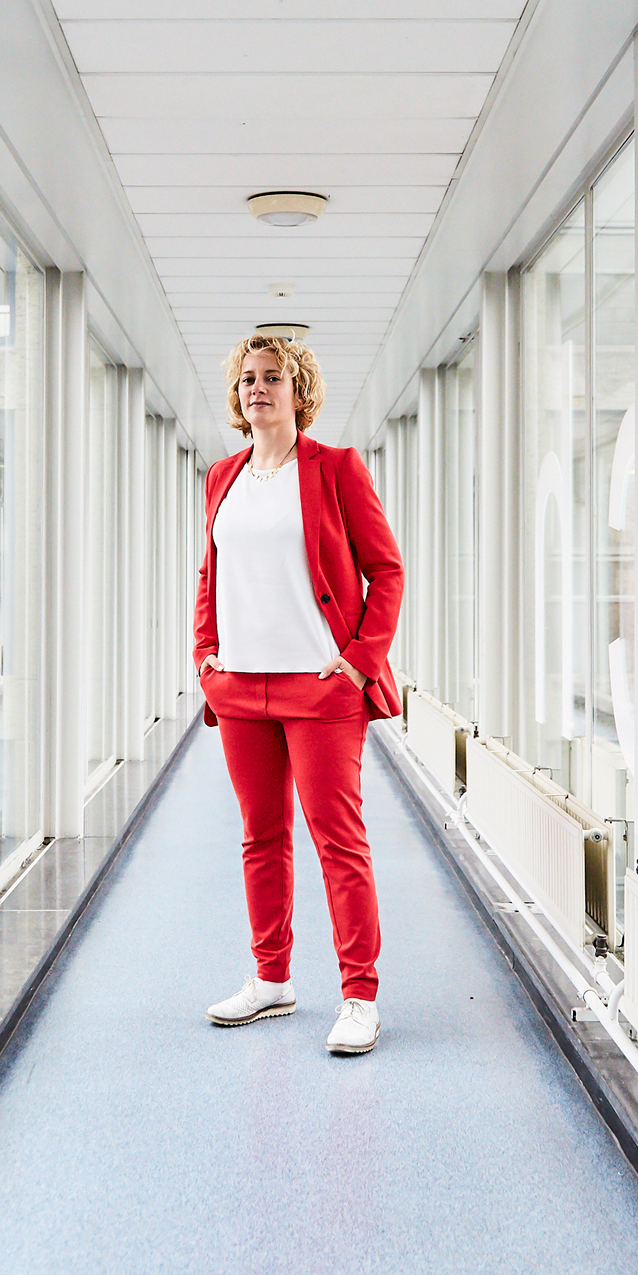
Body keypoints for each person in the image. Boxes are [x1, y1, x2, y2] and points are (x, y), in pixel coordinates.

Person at [193, 334, 405, 1055]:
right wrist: (205, 661)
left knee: (337, 840)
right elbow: (211, 575)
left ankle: (359, 996)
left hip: (321, 689)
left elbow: (388, 571)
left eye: (273, 377)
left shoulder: (336, 470)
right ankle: (273, 978)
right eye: (248, 379)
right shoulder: (224, 476)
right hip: (240, 688)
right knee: (261, 838)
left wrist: (358, 661)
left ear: (298, 391)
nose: (258, 388)